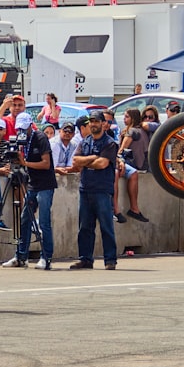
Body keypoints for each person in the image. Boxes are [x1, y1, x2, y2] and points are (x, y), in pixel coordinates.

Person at [2, 113, 57, 269]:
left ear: (31, 126)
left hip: (45, 185)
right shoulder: (21, 141)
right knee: (25, 218)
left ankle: (46, 257)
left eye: (24, 129)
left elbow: (46, 164)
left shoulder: (40, 138)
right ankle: (21, 256)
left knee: (44, 222)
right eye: (19, 128)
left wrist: (24, 162)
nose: (21, 131)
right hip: (32, 184)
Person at [71, 110, 118, 270]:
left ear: (104, 124)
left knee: (106, 227)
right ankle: (85, 259)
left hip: (102, 190)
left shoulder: (109, 143)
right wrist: (92, 158)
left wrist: (86, 161)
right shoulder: (85, 142)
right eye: (91, 122)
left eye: (96, 121)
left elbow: (102, 164)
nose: (93, 124)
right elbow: (75, 161)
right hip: (86, 189)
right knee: (84, 227)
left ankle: (110, 260)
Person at [115, 108, 149, 223]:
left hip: (134, 163)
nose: (124, 119)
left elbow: (121, 150)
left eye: (127, 117)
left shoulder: (132, 131)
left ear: (133, 118)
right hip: (141, 164)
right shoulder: (142, 130)